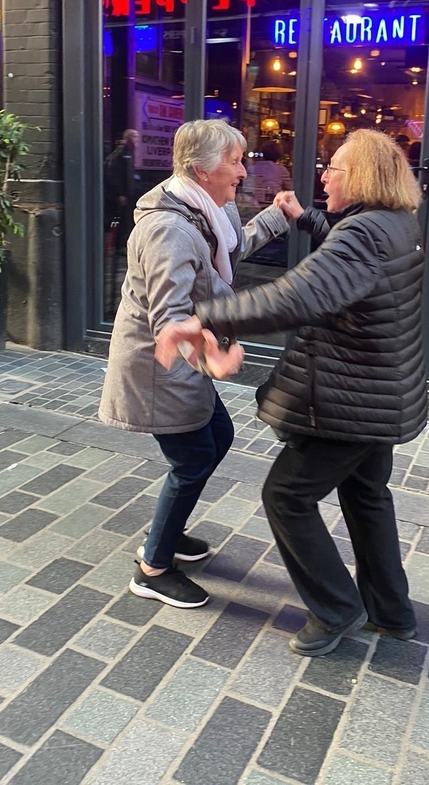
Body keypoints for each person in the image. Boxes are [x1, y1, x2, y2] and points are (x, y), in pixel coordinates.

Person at [157, 129, 427, 656]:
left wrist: (204, 317)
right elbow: (348, 255)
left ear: (365, 177)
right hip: (381, 394)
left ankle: (336, 608)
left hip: (350, 401)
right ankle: (393, 612)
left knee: (287, 497)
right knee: (368, 496)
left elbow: (297, 294)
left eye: (335, 168)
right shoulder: (394, 224)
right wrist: (306, 218)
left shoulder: (364, 236)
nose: (324, 174)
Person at [98, 119, 290, 609]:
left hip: (182, 368)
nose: (243, 171)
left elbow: (227, 250)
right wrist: (213, 356)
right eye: (235, 161)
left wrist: (275, 216)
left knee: (216, 439)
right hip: (159, 370)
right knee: (194, 458)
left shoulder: (196, 208)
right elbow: (169, 319)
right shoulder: (169, 228)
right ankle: (154, 567)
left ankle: (166, 531)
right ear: (204, 170)